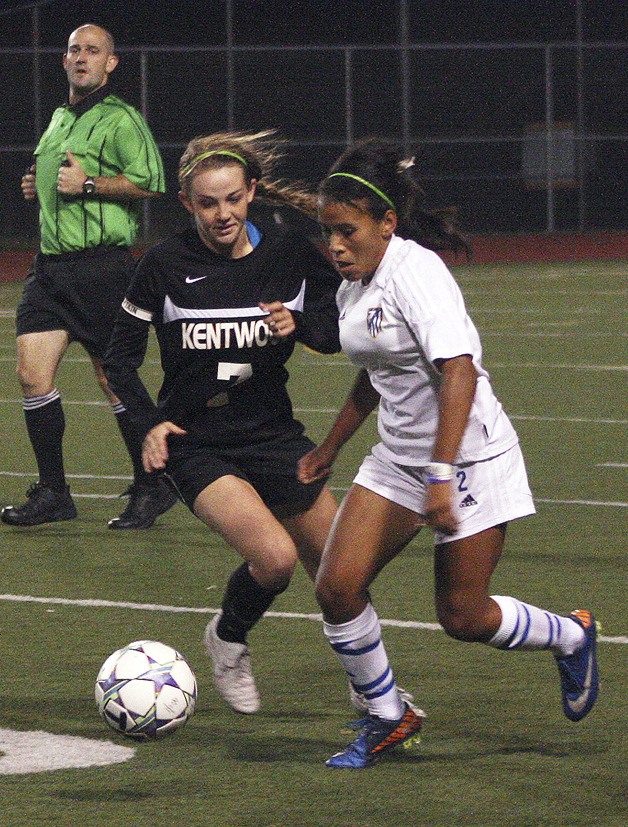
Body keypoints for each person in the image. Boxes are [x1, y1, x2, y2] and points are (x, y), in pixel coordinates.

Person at [298, 137, 600, 769]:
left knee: (462, 616)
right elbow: (378, 371)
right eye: (328, 233)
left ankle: (572, 635)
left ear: (386, 224)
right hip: (400, 458)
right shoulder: (356, 281)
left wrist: (440, 475)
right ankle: (388, 715)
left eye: (347, 232)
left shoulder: (417, 274)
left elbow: (458, 372)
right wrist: (331, 445)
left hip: (468, 459)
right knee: (337, 587)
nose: (335, 246)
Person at [103, 130, 341, 714]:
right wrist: (151, 424)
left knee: (341, 574)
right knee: (276, 560)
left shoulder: (290, 255)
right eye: (208, 203)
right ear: (187, 204)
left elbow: (336, 334)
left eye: (233, 199)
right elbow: (118, 359)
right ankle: (228, 639)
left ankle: (377, 693)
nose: (222, 214)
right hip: (197, 440)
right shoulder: (164, 264)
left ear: (252, 192)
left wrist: (300, 327)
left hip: (274, 434)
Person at [1, 24, 176, 530]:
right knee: (32, 376)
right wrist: (40, 186)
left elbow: (151, 183)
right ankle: (54, 493)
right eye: (75, 50)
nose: (82, 57)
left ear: (111, 63)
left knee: (112, 378)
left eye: (93, 51)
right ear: (65, 59)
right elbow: (59, 176)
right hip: (49, 270)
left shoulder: (122, 118)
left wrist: (90, 183)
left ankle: (152, 485)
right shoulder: (58, 118)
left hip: (103, 267)